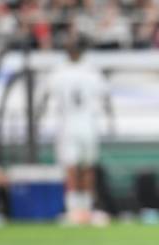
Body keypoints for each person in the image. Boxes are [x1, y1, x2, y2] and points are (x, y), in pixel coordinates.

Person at [37, 38, 111, 225]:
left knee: (72, 168)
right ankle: (84, 209)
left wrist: (40, 118)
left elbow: (45, 98)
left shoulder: (58, 73)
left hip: (68, 125)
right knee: (86, 168)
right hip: (87, 125)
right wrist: (110, 121)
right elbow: (105, 98)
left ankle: (74, 210)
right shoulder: (92, 72)